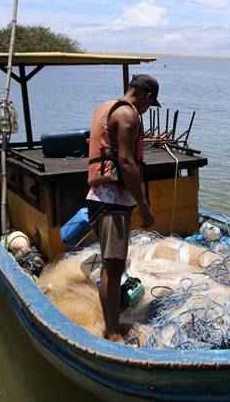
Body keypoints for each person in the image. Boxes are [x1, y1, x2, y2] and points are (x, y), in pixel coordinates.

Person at [86, 74, 159, 341]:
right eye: (150, 104)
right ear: (147, 96)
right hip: (112, 201)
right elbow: (126, 163)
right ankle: (113, 330)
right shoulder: (128, 115)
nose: (147, 109)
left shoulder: (104, 107)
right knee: (113, 268)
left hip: (98, 196)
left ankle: (111, 316)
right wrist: (144, 205)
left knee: (111, 266)